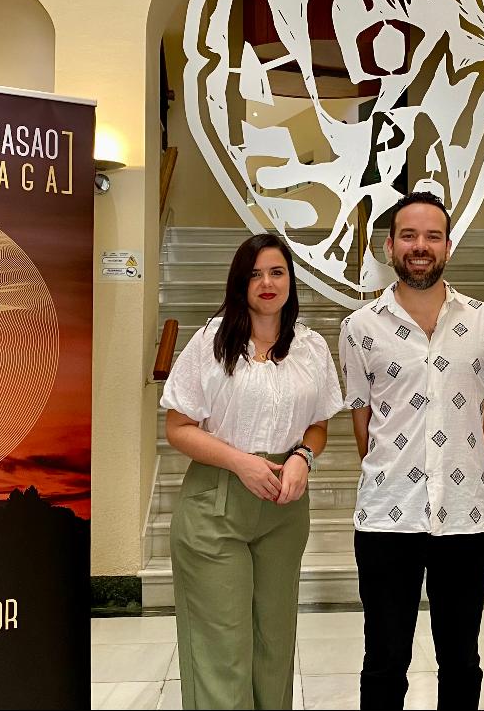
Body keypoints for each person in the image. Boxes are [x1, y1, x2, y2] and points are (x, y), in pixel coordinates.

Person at [339, 192, 484, 710]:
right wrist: (395, 469)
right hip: (385, 521)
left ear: (448, 246)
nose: (421, 246)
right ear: (389, 245)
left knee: (461, 661)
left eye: (432, 236)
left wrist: (464, 465)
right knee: (384, 660)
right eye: (409, 236)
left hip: (466, 519)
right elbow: (361, 417)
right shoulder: (360, 327)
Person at [161, 233, 343, 710]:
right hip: (217, 501)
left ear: (290, 281)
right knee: (223, 649)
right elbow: (178, 428)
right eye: (255, 273)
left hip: (284, 508)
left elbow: (319, 424)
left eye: (277, 272)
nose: (267, 282)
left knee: (275, 643)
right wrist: (239, 461)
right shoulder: (211, 342)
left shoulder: (311, 348)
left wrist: (303, 456)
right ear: (240, 283)